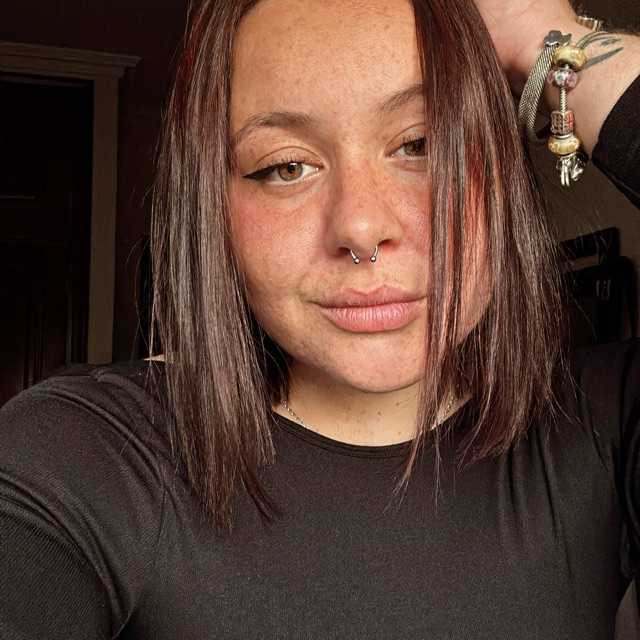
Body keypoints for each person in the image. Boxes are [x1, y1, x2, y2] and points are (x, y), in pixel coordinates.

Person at [1, 0, 639, 637]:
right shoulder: (79, 457)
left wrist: (545, 39)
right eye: (287, 167)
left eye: (422, 144)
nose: (360, 227)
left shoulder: (604, 427)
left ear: (504, 177)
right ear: (213, 208)